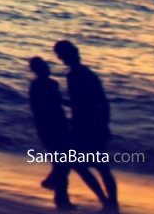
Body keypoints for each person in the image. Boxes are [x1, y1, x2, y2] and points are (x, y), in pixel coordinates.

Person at [30, 56, 106, 210]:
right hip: (48, 129)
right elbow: (37, 109)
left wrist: (79, 105)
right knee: (64, 164)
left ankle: (59, 197)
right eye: (42, 67)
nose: (46, 69)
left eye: (46, 66)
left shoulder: (53, 83)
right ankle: (59, 195)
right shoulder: (36, 86)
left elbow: (60, 102)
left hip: (62, 126)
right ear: (36, 71)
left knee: (63, 164)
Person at [55, 40, 119, 212]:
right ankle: (111, 204)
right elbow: (101, 102)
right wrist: (105, 124)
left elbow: (81, 104)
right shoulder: (89, 74)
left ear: (66, 56)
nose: (60, 58)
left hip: (85, 128)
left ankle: (108, 203)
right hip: (93, 125)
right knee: (101, 167)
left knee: (83, 166)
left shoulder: (75, 76)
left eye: (60, 55)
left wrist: (60, 101)